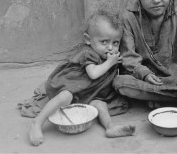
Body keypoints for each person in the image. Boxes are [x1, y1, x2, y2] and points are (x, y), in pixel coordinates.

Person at [29, 9, 135, 146]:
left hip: (90, 93)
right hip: (72, 86)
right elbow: (93, 74)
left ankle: (110, 127)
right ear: (88, 40)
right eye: (104, 42)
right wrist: (110, 63)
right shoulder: (87, 53)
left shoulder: (110, 56)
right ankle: (37, 123)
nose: (111, 48)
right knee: (65, 96)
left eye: (115, 43)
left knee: (101, 104)